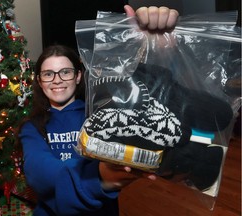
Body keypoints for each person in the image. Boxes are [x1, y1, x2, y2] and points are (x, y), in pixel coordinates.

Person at [18, 5, 179, 216]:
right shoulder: (32, 127)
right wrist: (100, 177)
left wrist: (153, 48)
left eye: (65, 72)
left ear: (78, 76)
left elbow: (150, 108)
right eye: (48, 74)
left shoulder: (103, 113)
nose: (57, 80)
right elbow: (41, 175)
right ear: (39, 81)